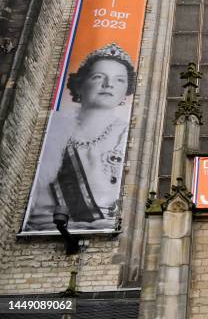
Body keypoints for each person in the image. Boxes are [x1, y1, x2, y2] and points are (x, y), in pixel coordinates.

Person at [23, 43, 136, 232]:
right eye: (98, 77)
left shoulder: (128, 134)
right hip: (45, 230)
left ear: (126, 91)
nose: (108, 85)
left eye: (119, 80)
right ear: (80, 84)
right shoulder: (53, 129)